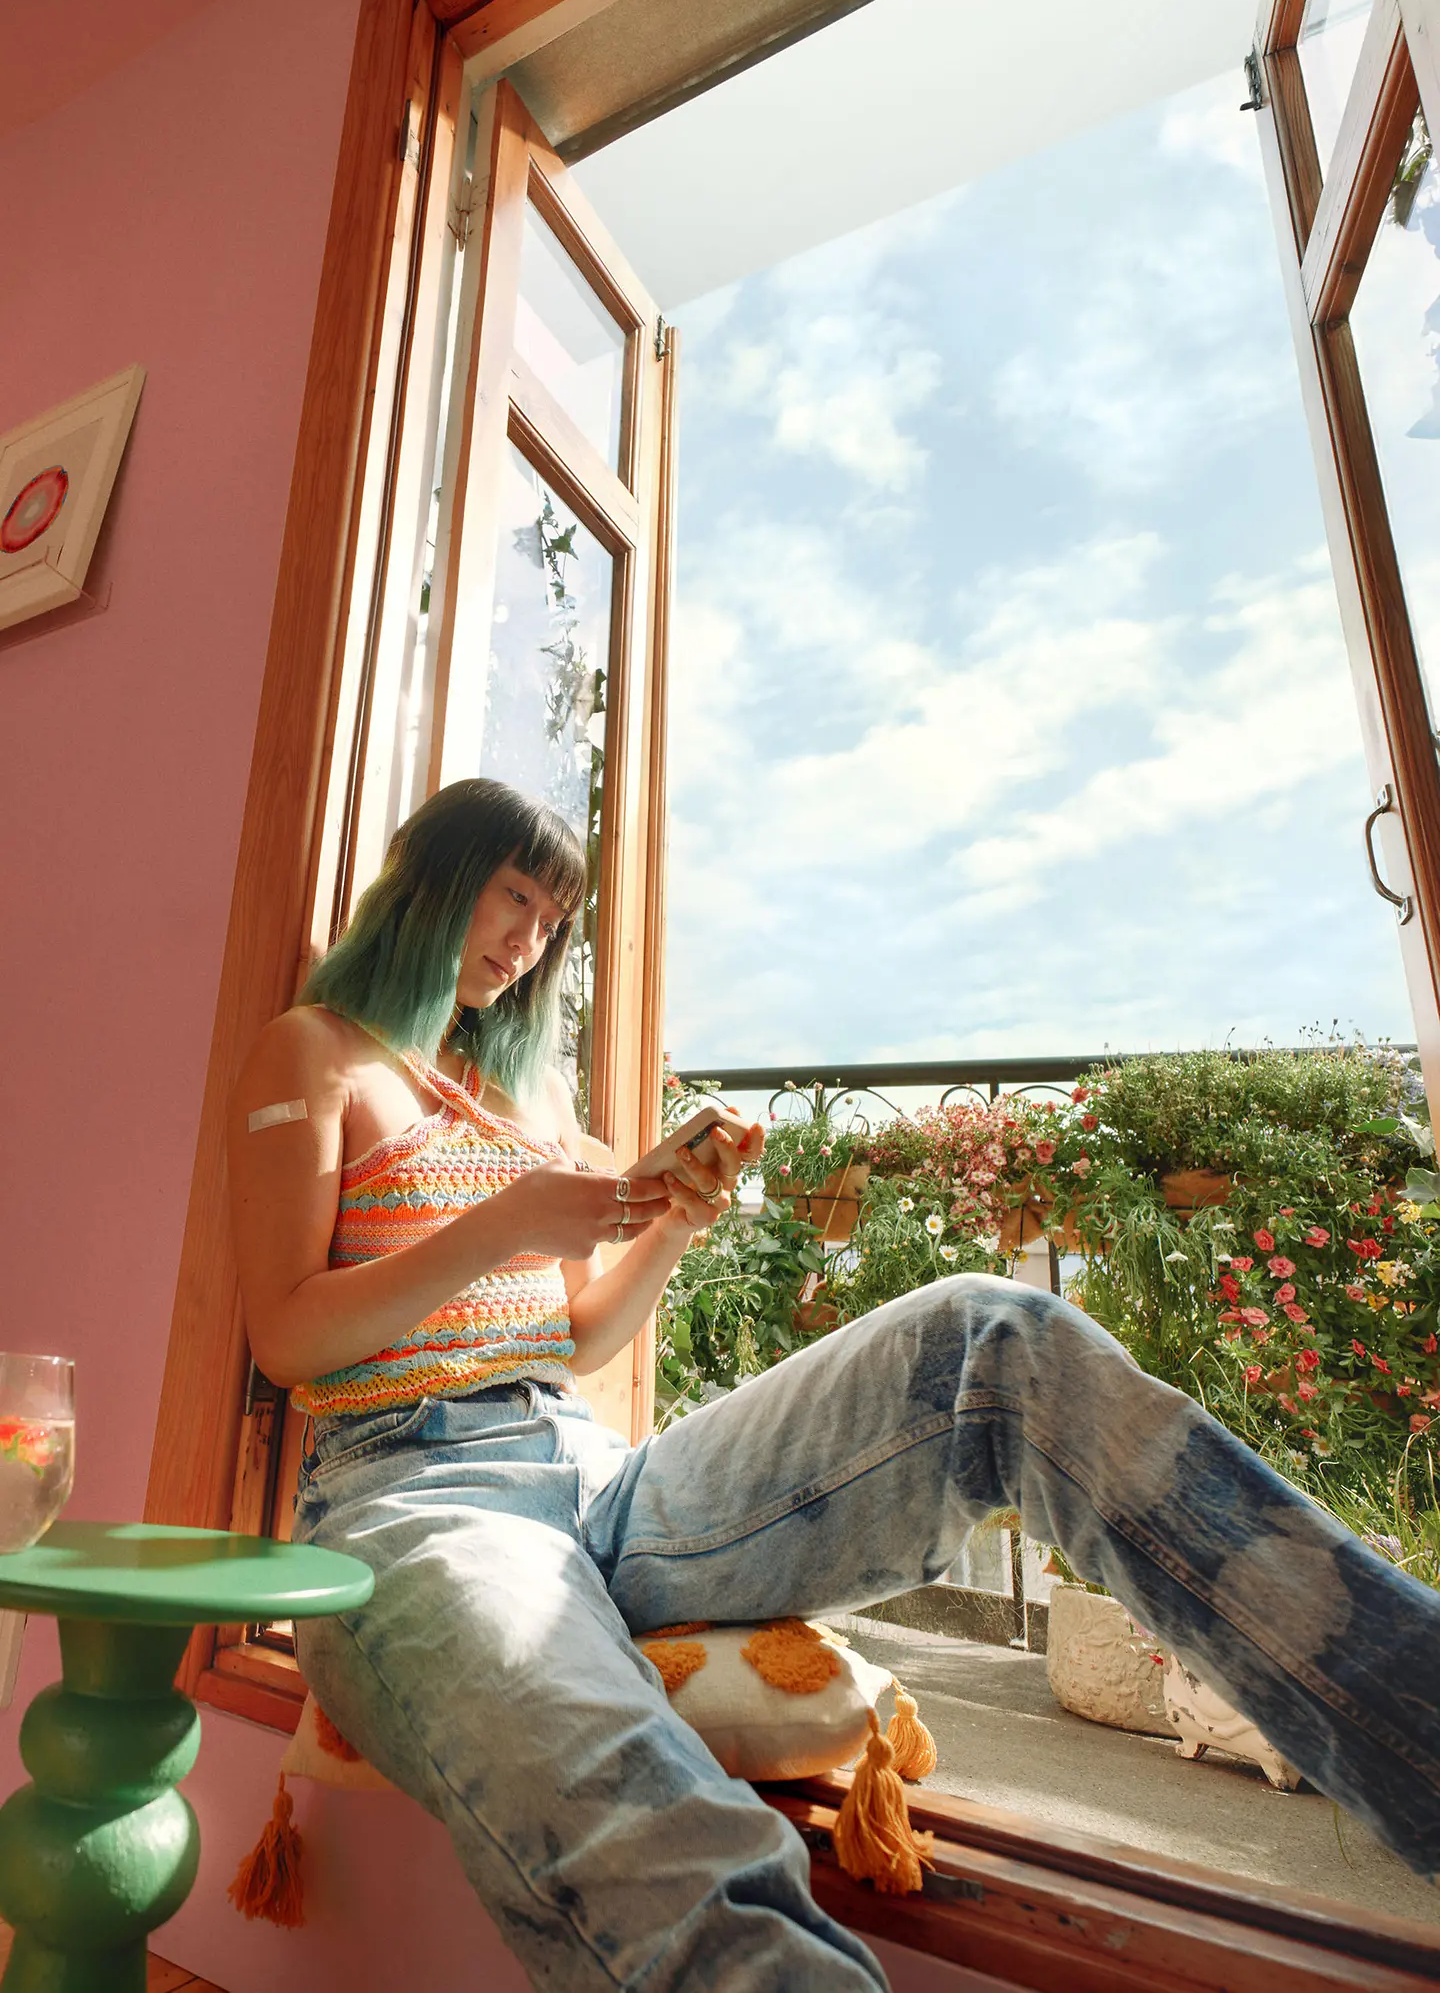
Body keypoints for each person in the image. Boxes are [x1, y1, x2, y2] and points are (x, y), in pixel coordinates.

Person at [229, 777, 1440, 1991]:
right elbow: (287, 1335)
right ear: (436, 875)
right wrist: (499, 1227)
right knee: (619, 1797)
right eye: (516, 897)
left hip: (597, 1479)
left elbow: (582, 1341)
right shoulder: (317, 1051)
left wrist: (670, 1224)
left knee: (992, 1334)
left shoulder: (528, 1092)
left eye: (554, 921)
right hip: (414, 1493)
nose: (530, 939)